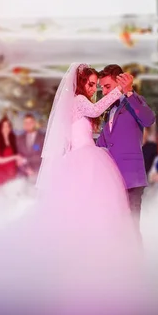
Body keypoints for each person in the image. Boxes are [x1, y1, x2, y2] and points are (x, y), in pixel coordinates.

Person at [35, 63, 140, 255]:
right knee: (90, 203)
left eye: (95, 85)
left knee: (89, 206)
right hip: (84, 157)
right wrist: (118, 89)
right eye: (91, 84)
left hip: (83, 155)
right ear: (81, 83)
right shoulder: (79, 100)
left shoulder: (75, 103)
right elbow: (96, 110)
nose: (94, 89)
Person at [96, 64, 156, 222]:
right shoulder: (108, 111)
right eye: (102, 88)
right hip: (111, 179)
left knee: (131, 227)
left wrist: (129, 92)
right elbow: (102, 143)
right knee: (114, 227)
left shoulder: (134, 101)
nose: (105, 92)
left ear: (120, 82)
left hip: (131, 178)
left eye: (107, 86)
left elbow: (149, 120)